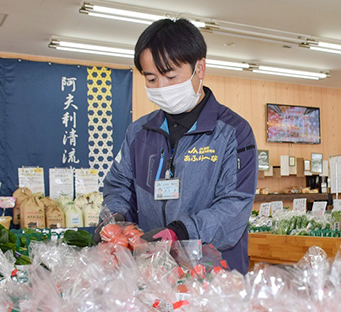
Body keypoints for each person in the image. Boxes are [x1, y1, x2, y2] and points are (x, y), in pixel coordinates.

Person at [101, 18, 258, 273]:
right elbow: (118, 187)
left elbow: (235, 206)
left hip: (215, 273)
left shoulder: (233, 132)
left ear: (200, 69)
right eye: (151, 79)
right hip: (154, 272)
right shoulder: (139, 133)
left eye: (171, 77)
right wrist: (115, 221)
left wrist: (180, 232)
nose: (162, 88)